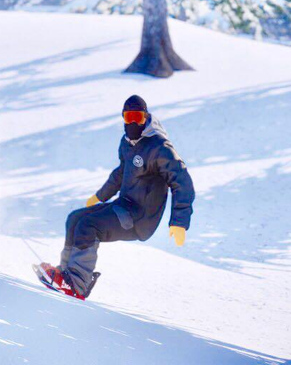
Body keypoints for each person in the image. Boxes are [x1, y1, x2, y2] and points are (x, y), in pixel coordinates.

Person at [39, 95, 195, 299]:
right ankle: (65, 273)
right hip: (123, 206)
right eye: (128, 117)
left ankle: (76, 284)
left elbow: (182, 181)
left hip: (140, 217)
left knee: (88, 226)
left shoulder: (159, 147)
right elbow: (121, 172)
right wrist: (100, 196)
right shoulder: (127, 143)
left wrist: (179, 221)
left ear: (145, 118)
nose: (132, 123)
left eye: (137, 118)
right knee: (75, 218)